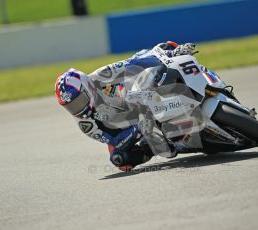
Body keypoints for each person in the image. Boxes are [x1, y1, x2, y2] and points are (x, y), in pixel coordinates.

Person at [55, 41, 197, 171]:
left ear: (87, 88)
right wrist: (140, 127)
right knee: (119, 160)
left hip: (138, 92)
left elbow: (133, 63)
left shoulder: (101, 76)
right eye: (71, 106)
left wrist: (170, 55)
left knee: (160, 49)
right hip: (129, 125)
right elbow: (115, 140)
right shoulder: (86, 124)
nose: (77, 109)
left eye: (78, 101)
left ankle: (188, 81)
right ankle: (169, 144)